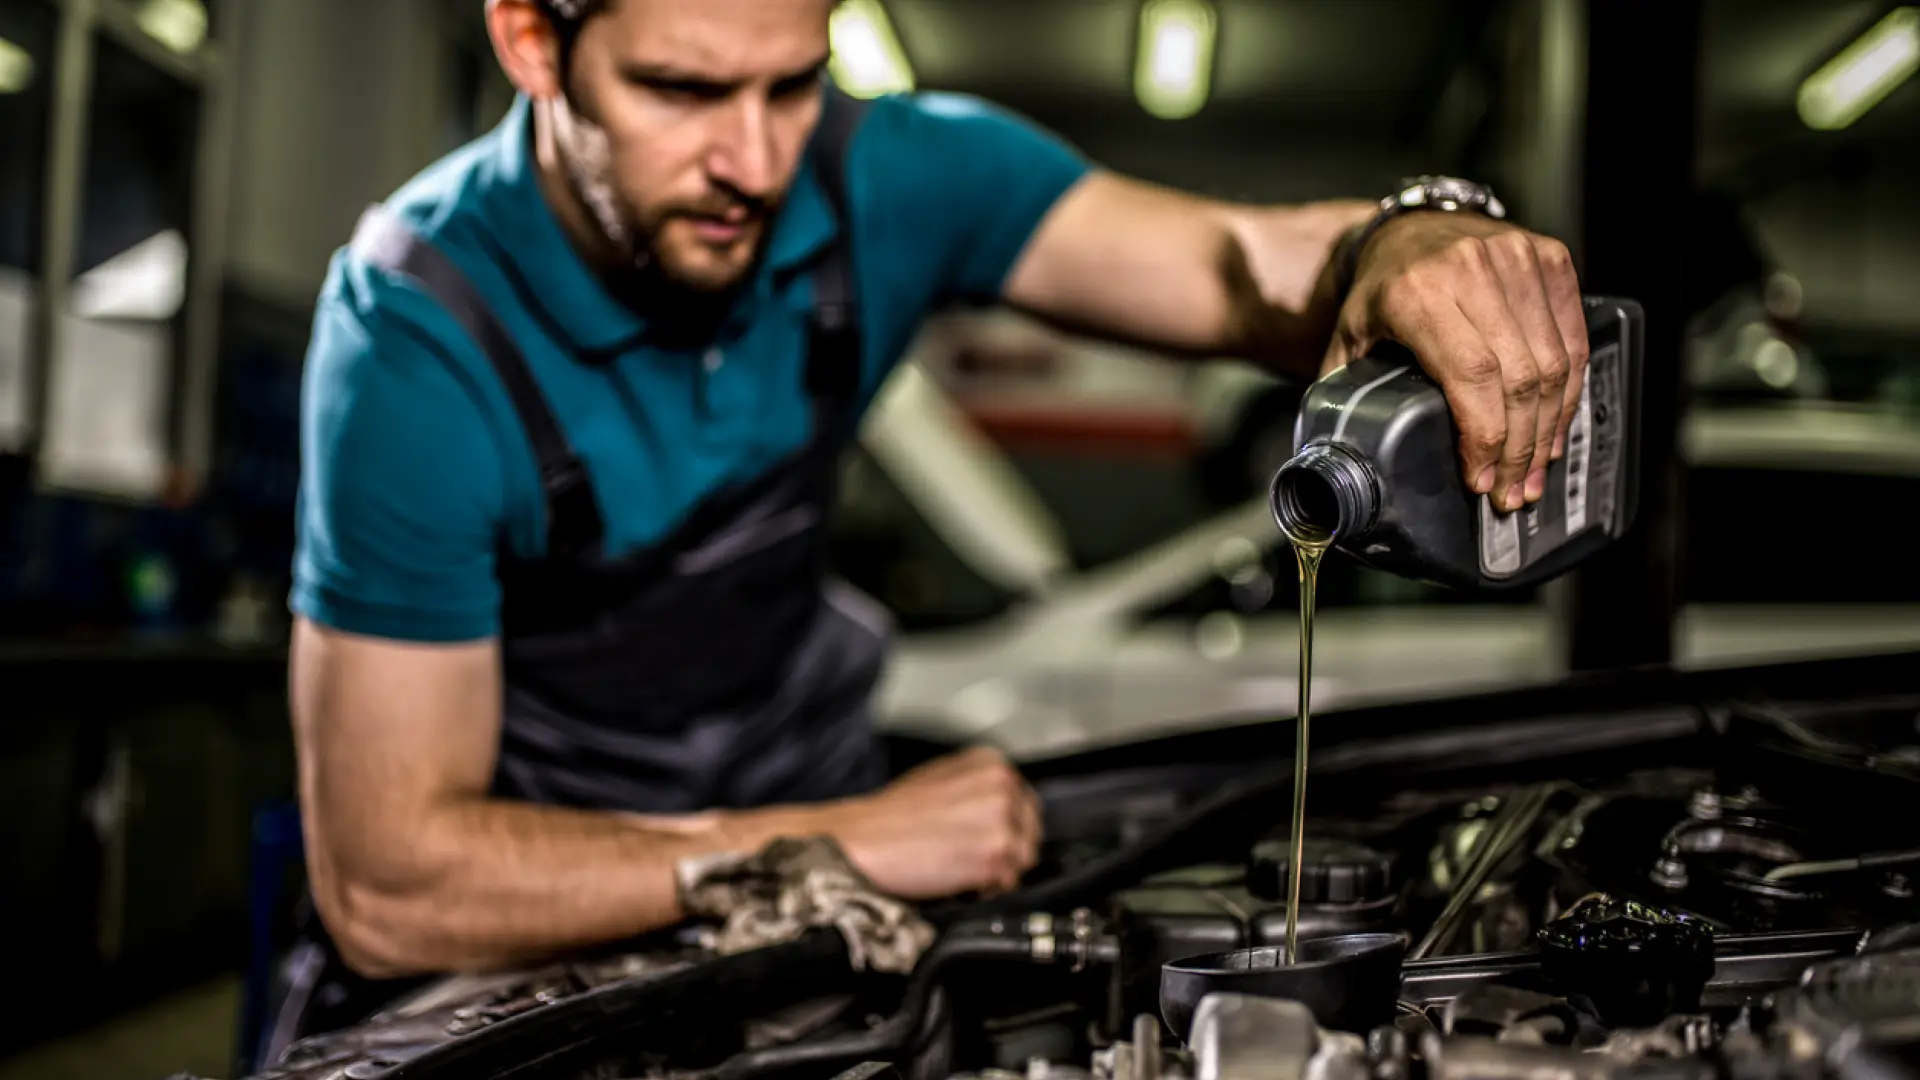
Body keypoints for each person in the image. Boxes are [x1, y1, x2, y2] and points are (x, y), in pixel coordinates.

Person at [277, 0, 1591, 1043]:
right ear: (530, 39)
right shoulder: (416, 337)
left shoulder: (890, 173)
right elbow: (394, 882)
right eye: (680, 89)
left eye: (793, 81)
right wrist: (831, 846)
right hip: (539, 898)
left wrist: (1404, 241)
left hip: (805, 782)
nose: (752, 160)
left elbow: (1238, 267)